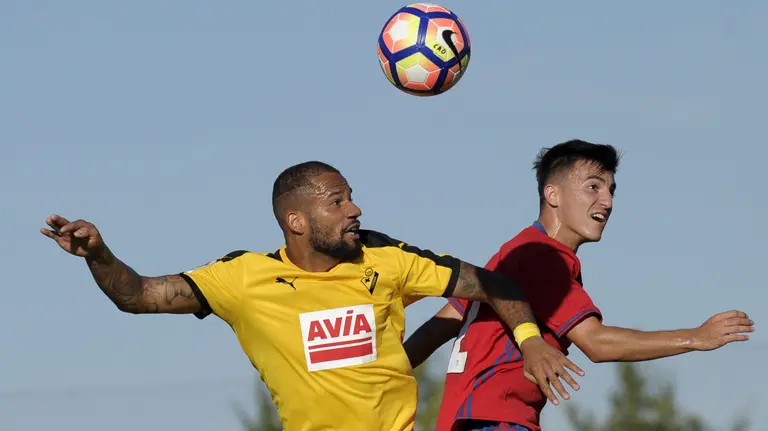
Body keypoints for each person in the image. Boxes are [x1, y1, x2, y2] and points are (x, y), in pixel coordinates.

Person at [40, 161, 586, 431]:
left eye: (352, 197)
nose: (355, 210)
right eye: (338, 200)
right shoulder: (243, 278)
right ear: (296, 220)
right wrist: (99, 255)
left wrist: (531, 339)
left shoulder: (386, 257)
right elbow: (138, 295)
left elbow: (492, 282)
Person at [403, 140, 755, 431]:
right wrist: (696, 337)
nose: (608, 201)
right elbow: (597, 343)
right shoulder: (543, 258)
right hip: (495, 421)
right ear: (552, 194)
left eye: (611, 190)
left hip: (464, 420)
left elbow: (440, 325)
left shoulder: (512, 252)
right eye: (593, 186)